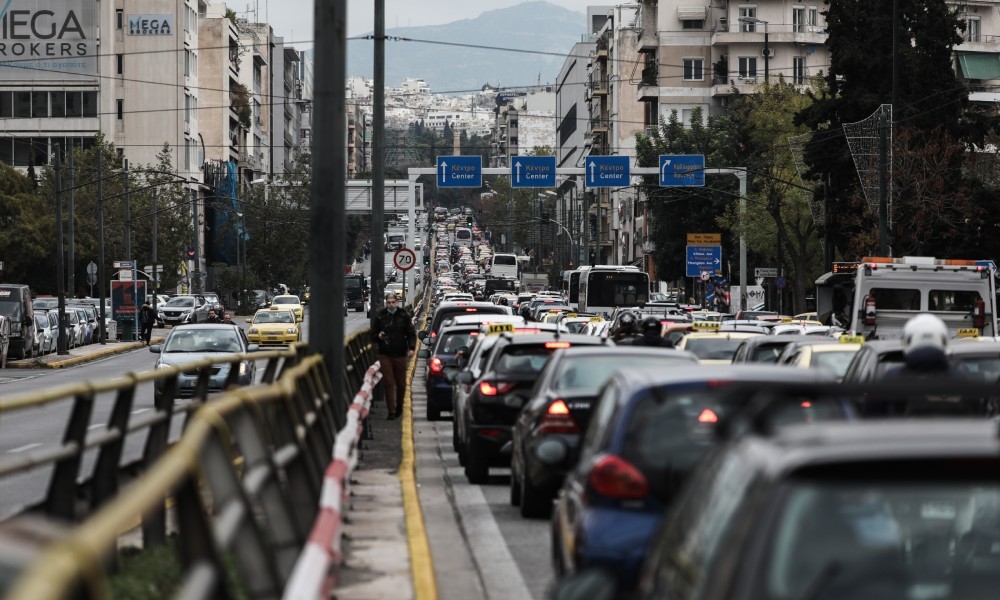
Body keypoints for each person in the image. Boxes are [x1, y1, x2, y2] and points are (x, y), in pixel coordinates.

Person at [373, 292, 417, 419]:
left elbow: (410, 333)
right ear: (386, 303)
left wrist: (411, 348)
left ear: (396, 302)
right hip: (385, 353)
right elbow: (373, 334)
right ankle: (391, 411)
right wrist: (379, 336)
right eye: (388, 303)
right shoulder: (381, 316)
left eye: (393, 302)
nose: (391, 305)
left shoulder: (403, 315)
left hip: (399, 353)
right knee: (388, 382)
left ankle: (399, 406)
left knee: (401, 384)